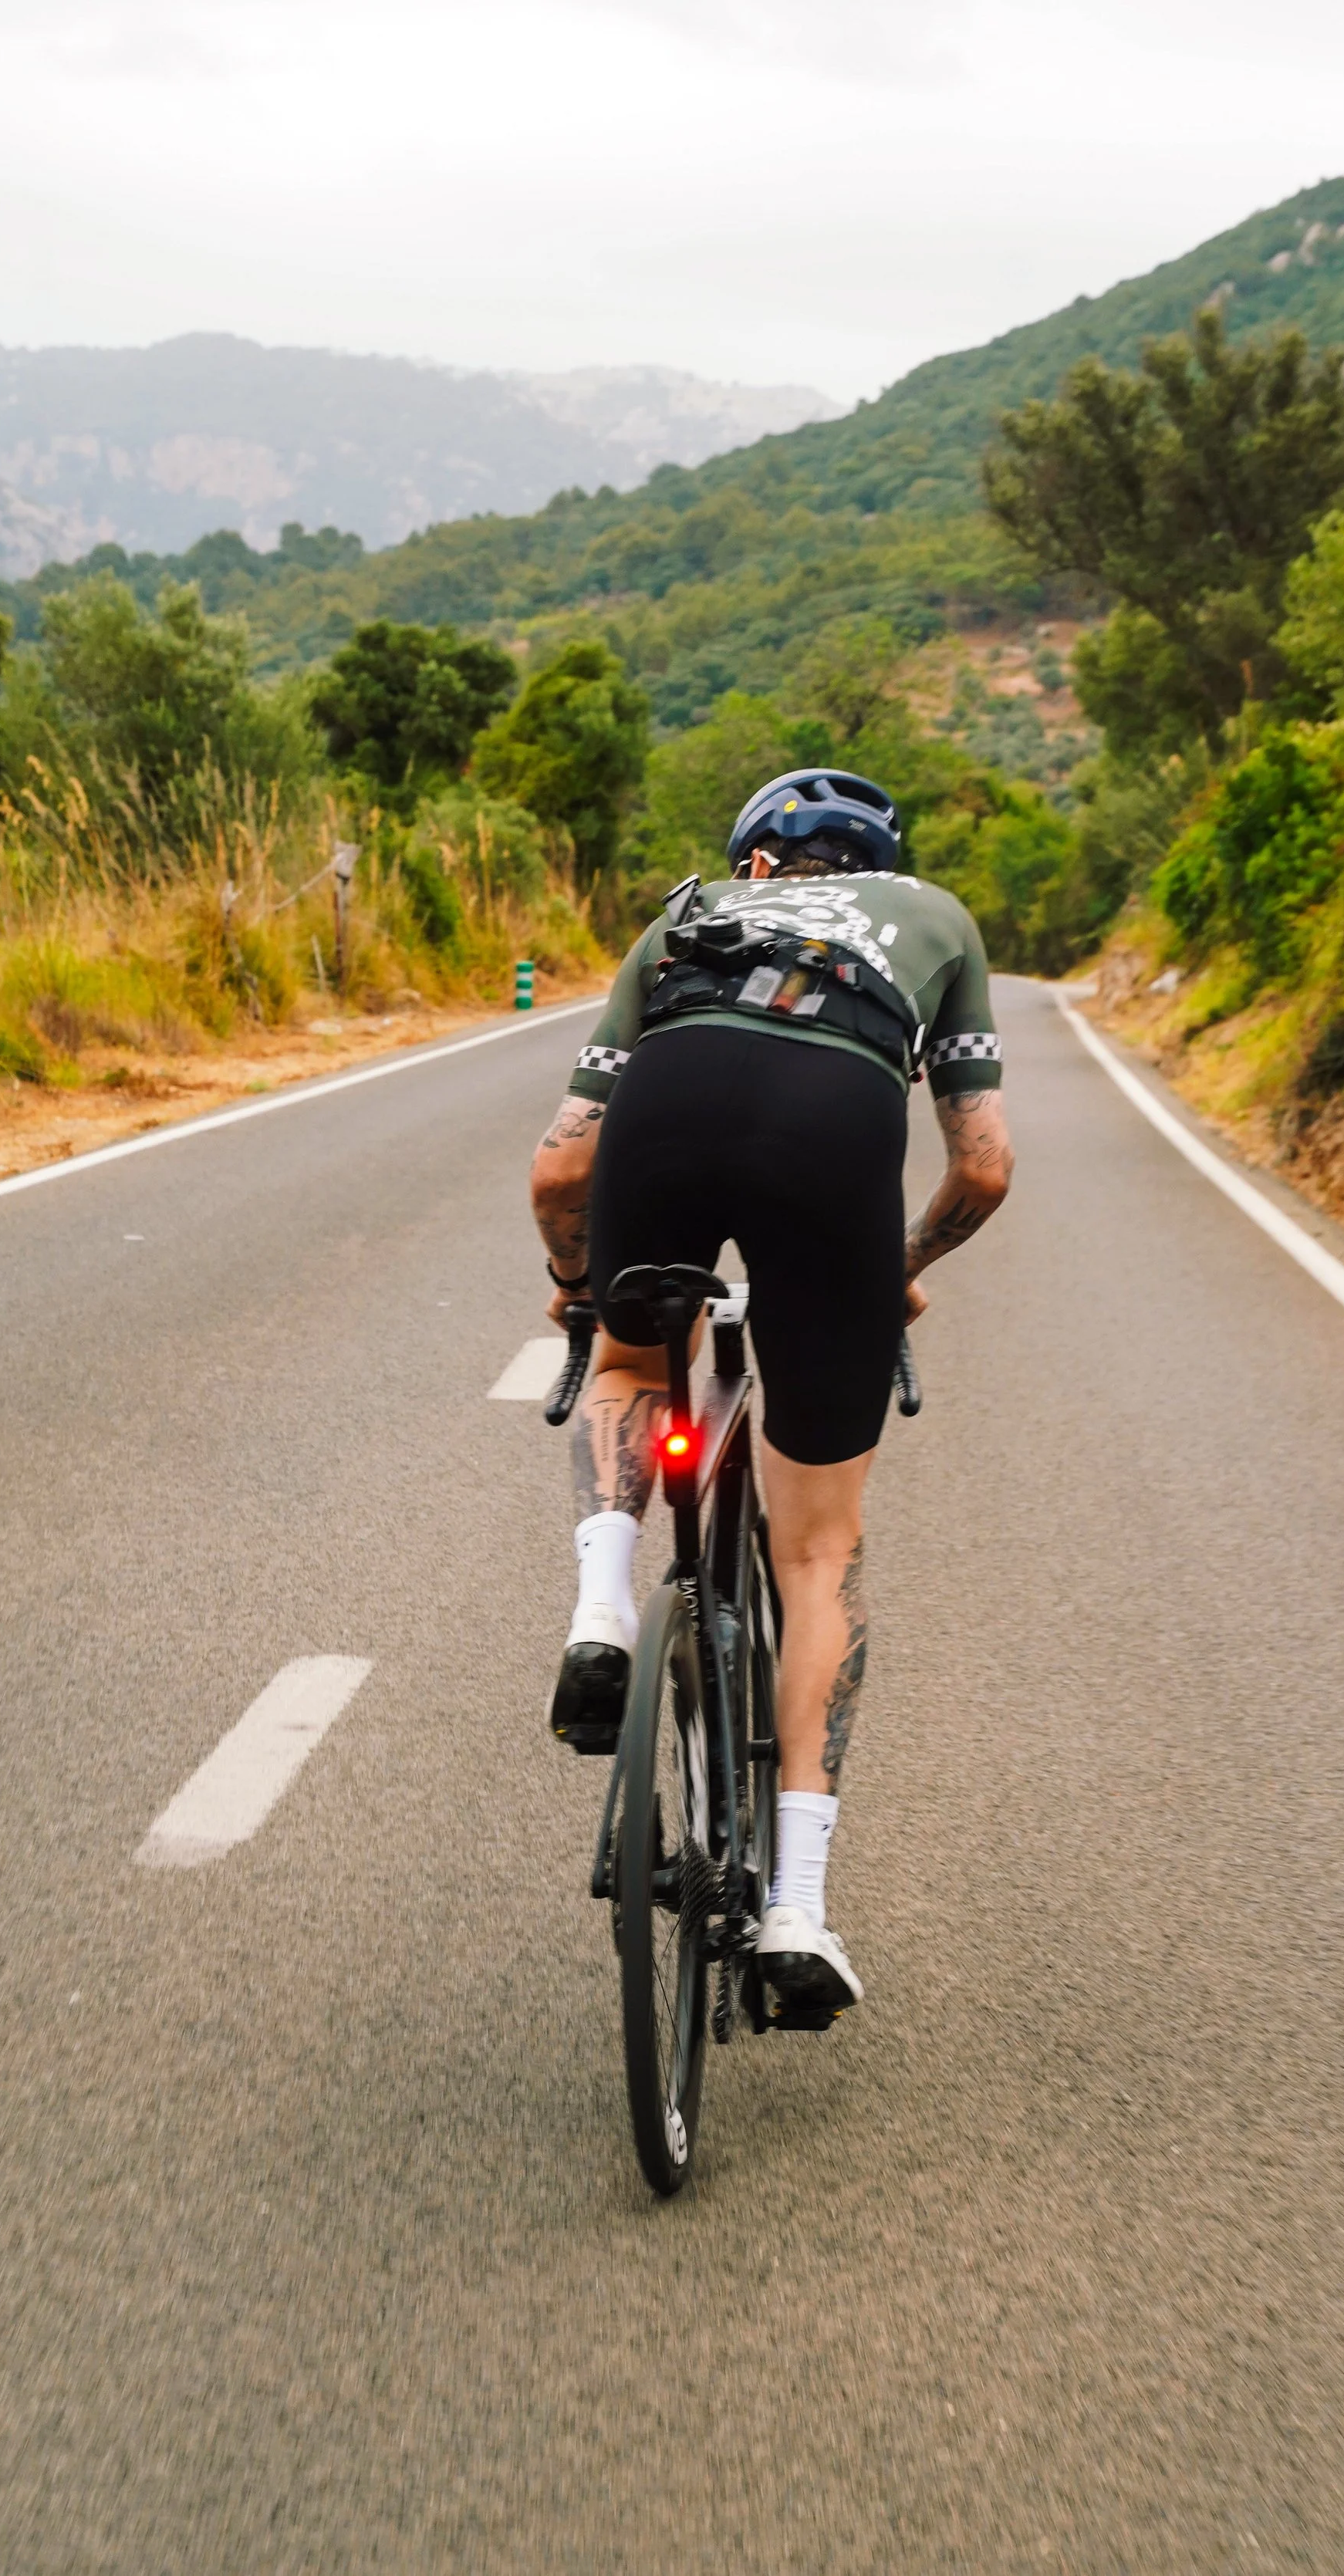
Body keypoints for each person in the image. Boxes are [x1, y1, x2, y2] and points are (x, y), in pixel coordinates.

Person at [528, 768, 1013, 2019]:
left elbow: (560, 1167)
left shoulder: (678, 917)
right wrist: (886, 1272)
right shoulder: (936, 916)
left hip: (670, 1108)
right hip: (834, 1135)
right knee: (819, 1551)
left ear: (753, 863)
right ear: (879, 863)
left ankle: (602, 1611)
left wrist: (576, 1285)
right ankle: (796, 1904)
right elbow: (985, 1168)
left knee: (638, 1360)